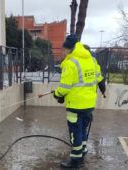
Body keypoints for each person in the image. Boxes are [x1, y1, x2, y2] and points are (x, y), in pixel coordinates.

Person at [53, 34, 106, 169]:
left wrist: (58, 95)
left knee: (75, 133)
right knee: (82, 130)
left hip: (75, 106)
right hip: (89, 105)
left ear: (69, 49)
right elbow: (99, 77)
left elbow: (65, 87)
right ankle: (82, 153)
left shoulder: (71, 63)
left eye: (63, 50)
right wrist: (103, 88)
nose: (62, 53)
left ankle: (75, 162)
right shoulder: (92, 60)